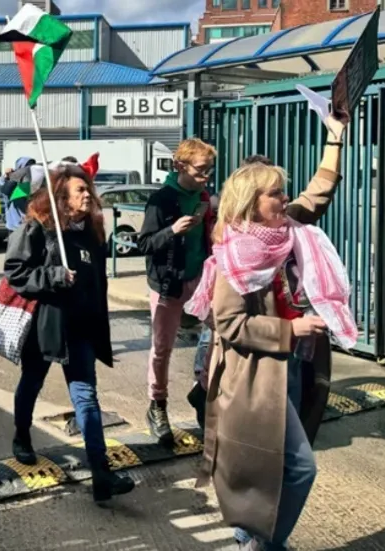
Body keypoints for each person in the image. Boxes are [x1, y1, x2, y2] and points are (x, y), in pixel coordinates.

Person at [185, 115, 351, 551]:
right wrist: (290, 327)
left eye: (282, 191)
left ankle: (252, 535)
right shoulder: (234, 254)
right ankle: (263, 543)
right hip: (255, 378)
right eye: (275, 193)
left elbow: (318, 192)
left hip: (293, 366)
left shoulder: (286, 231)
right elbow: (230, 324)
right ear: (251, 201)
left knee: (274, 466)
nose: (284, 199)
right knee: (298, 468)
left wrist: (335, 137)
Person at [5, 162, 134, 503]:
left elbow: (97, 284)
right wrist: (54, 277)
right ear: (61, 196)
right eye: (80, 190)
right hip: (45, 328)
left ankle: (101, 474)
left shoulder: (91, 234)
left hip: (81, 331)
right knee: (31, 383)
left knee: (86, 398)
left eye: (89, 190)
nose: (89, 196)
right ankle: (21, 436)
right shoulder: (38, 228)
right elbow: (16, 273)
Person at [136, 138, 217, 445]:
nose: (206, 175)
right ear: (180, 166)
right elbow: (144, 244)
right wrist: (172, 231)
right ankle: (157, 405)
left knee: (222, 332)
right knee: (162, 348)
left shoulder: (205, 196)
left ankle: (204, 390)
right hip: (168, 282)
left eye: (209, 169)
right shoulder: (161, 199)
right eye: (200, 169)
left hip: (200, 278)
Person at [188, 154, 275, 427]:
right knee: (213, 344)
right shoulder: (223, 207)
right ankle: (204, 393)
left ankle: (205, 392)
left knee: (218, 346)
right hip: (220, 282)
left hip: (237, 288)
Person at [0, 156, 36, 233]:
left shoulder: (32, 184)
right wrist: (7, 175)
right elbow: (2, 186)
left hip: (30, 227)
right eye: (26, 168)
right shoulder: (13, 185)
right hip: (15, 228)